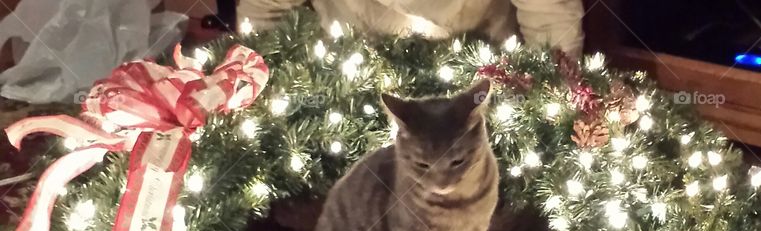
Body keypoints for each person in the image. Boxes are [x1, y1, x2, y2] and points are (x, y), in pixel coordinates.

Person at [237, 0, 584, 57]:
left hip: (480, 89)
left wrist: (559, 92)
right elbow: (265, 9)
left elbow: (549, 13)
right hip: (343, 93)